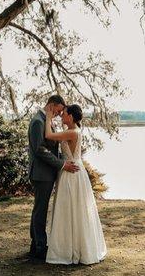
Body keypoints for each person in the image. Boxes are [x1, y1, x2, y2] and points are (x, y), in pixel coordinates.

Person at [44, 104, 107, 265]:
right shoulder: (76, 130)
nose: (61, 116)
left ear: (71, 117)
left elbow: (49, 135)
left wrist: (49, 117)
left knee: (71, 208)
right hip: (75, 170)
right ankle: (74, 246)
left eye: (64, 114)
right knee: (75, 209)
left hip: (71, 173)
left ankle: (71, 249)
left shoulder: (72, 132)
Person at [27, 95, 79, 260]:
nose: (59, 113)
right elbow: (39, 150)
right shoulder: (38, 121)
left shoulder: (46, 119)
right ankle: (40, 248)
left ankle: (36, 246)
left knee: (40, 210)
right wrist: (62, 165)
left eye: (62, 111)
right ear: (52, 105)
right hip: (42, 174)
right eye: (59, 109)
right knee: (40, 211)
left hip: (48, 173)